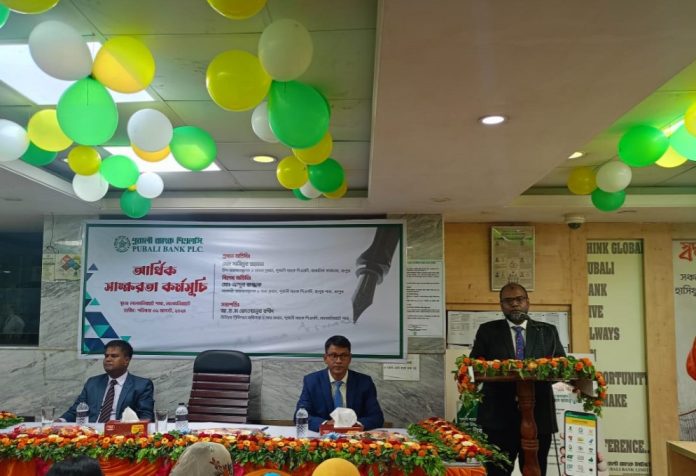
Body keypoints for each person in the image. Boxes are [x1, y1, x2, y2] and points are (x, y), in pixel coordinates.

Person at [470, 283, 565, 476]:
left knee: (537, 470)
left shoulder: (546, 331)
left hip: (538, 415)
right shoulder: (488, 331)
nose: (514, 304)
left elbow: (561, 366)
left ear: (527, 302)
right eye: (508, 301)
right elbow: (475, 367)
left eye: (519, 299)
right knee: (497, 472)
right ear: (501, 305)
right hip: (498, 417)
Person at [296, 335, 384, 431]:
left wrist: (355, 424)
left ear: (350, 358)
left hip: (354, 435)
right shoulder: (312, 381)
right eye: (333, 355)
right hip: (323, 436)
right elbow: (300, 415)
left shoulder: (364, 382)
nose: (338, 361)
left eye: (343, 356)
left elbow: (377, 417)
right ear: (325, 358)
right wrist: (326, 424)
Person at [60, 339, 154, 422]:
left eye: (114, 356)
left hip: (121, 432)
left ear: (126, 360)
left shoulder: (141, 385)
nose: (108, 359)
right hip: (91, 431)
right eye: (106, 356)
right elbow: (75, 411)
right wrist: (59, 421)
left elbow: (146, 416)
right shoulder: (93, 383)